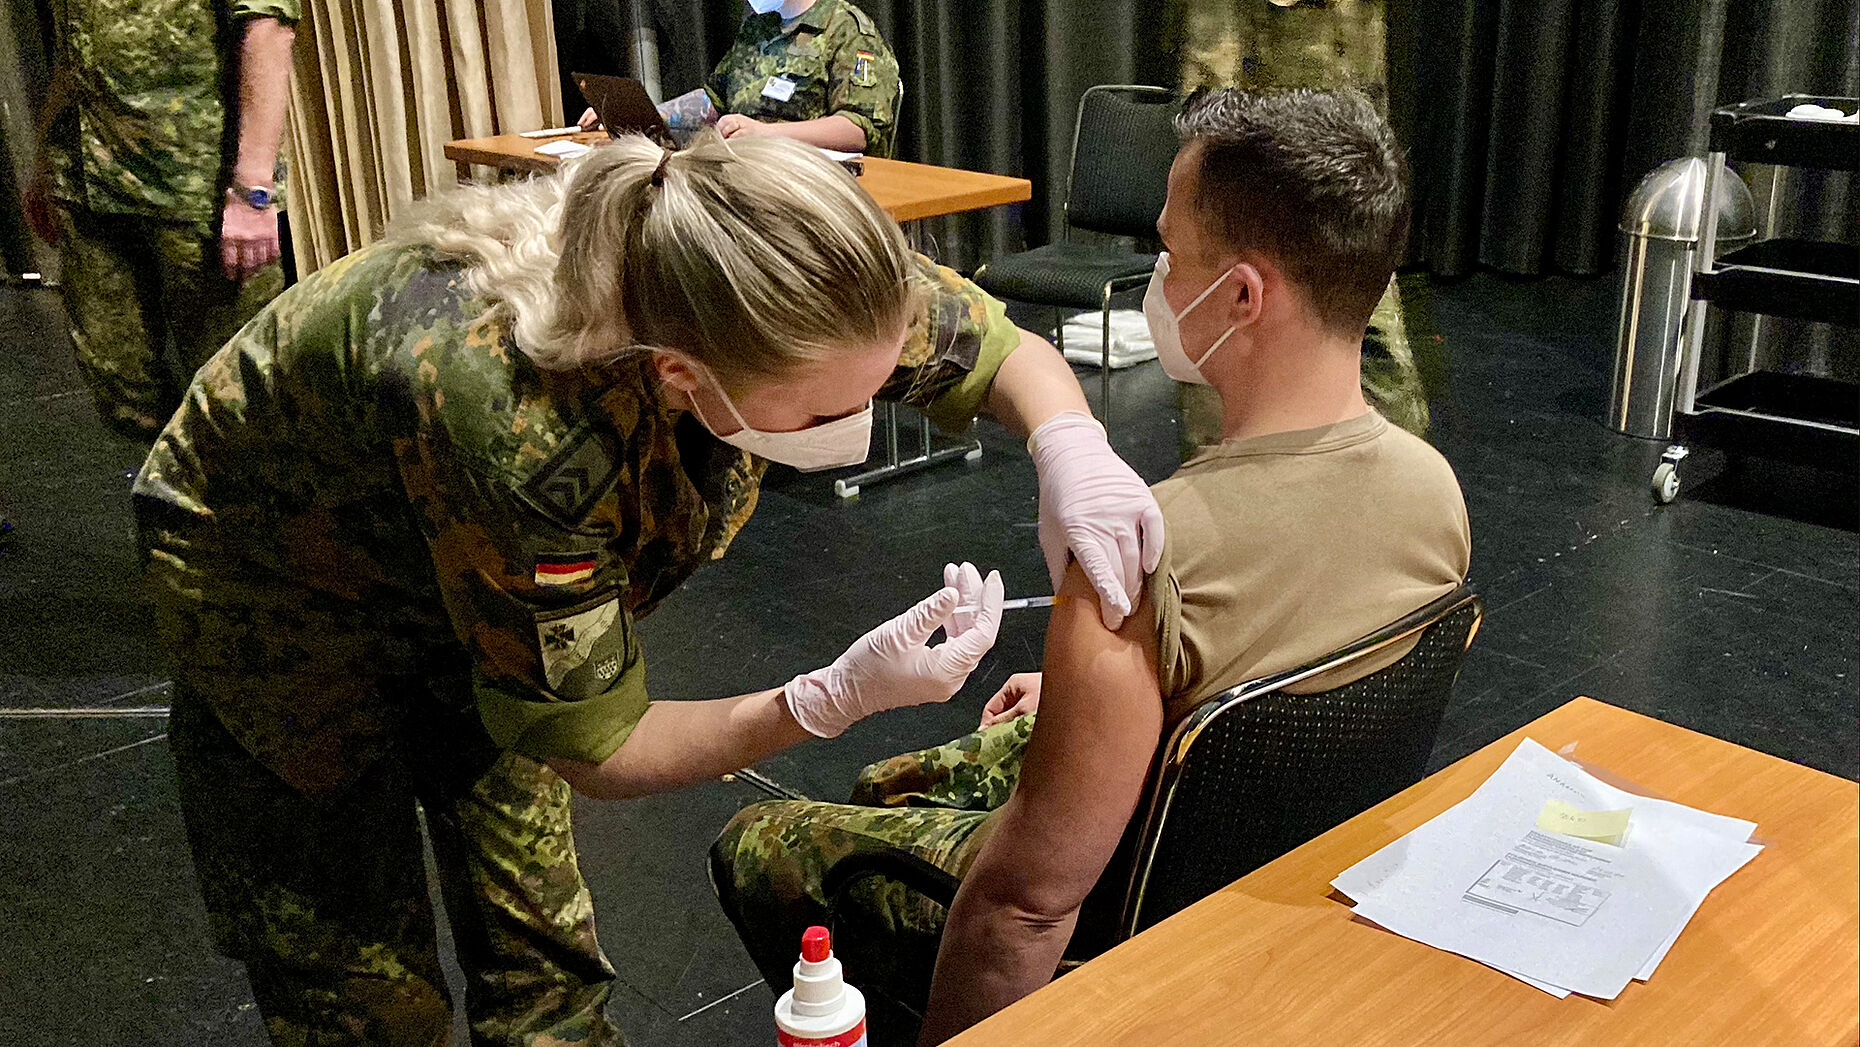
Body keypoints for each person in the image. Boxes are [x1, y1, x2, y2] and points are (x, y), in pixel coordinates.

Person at [136, 132, 1162, 1045]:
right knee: (357, 978)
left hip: (477, 540)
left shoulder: (799, 277)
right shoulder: (523, 420)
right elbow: (601, 747)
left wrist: (1071, 445)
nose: (853, 423)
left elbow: (1003, 355)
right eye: (817, 415)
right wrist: (827, 699)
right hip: (287, 593)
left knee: (542, 953)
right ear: (680, 375)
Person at [710, 87, 1473, 1046]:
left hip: (1129, 932)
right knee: (887, 785)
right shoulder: (1434, 491)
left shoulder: (1151, 558)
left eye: (1170, 251)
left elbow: (1024, 913)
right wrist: (1110, 698)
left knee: (759, 842)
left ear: (1240, 295)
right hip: (1269, 886)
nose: (1156, 273)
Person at [23, 0, 298, 441]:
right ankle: (170, 500)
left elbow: (268, 30)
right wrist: (42, 161)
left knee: (240, 396)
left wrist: (253, 192)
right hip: (87, 186)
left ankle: (259, 508)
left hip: (194, 189)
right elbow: (73, 50)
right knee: (124, 392)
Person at [579, 0, 900, 156]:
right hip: (746, 170)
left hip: (811, 184)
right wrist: (641, 112)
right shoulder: (758, 28)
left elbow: (859, 129)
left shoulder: (847, 29)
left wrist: (764, 133)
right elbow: (714, 99)